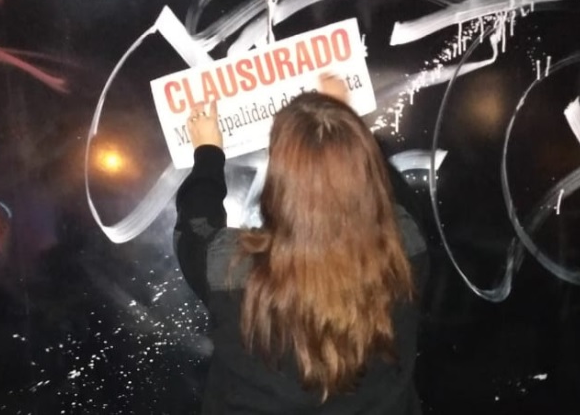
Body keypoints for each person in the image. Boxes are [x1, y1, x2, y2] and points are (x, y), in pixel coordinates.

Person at [174, 75, 428, 414]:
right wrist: (341, 126)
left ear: (280, 181)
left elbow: (194, 227)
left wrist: (207, 152)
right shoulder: (407, 246)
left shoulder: (231, 269)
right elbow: (383, 187)